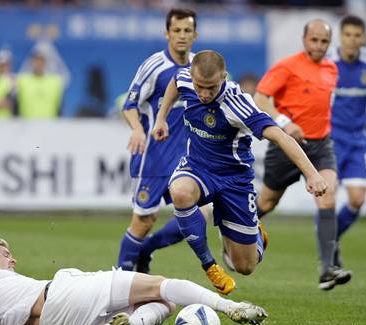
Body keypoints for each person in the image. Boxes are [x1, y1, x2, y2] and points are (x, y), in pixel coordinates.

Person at [151, 50, 328, 294]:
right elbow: (175, 83)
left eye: (211, 88)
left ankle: (252, 231)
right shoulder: (186, 78)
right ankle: (209, 265)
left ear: (223, 76)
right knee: (180, 193)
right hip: (197, 167)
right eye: (200, 86)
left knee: (244, 266)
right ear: (192, 76)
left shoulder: (237, 104)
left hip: (234, 180)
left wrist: (312, 174)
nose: (204, 94)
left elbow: (279, 136)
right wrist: (161, 118)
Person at [118, 8, 237, 295]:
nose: (182, 36)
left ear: (195, 35)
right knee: (144, 220)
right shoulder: (154, 66)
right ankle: (119, 283)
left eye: (187, 31)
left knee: (201, 212)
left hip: (190, 159)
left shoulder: (204, 67)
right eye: (177, 30)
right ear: (167, 33)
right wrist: (137, 129)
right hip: (154, 157)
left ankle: (146, 250)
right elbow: (129, 104)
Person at [0, 238, 267, 325]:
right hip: (64, 293)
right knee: (164, 286)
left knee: (166, 306)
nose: (12, 260)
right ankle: (232, 307)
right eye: (6, 254)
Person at [253, 19, 352, 291]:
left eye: (324, 42)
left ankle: (327, 267)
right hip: (286, 145)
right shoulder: (287, 66)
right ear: (304, 39)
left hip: (321, 144)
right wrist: (284, 123)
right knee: (268, 201)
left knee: (328, 194)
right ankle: (236, 229)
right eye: (314, 40)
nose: (318, 46)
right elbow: (261, 98)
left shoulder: (332, 69)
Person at [327, 15, 366, 268]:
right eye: (348, 35)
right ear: (341, 37)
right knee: (328, 197)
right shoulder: (328, 62)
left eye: (357, 36)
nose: (352, 41)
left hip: (356, 142)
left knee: (357, 199)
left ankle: (332, 239)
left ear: (363, 38)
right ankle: (327, 251)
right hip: (329, 140)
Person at [16, 51, 63, 118]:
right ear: (31, 62)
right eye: (36, 61)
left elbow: (60, 107)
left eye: (41, 61)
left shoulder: (54, 82)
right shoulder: (22, 80)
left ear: (45, 63)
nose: (38, 64)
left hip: (49, 125)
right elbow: (16, 105)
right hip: (26, 125)